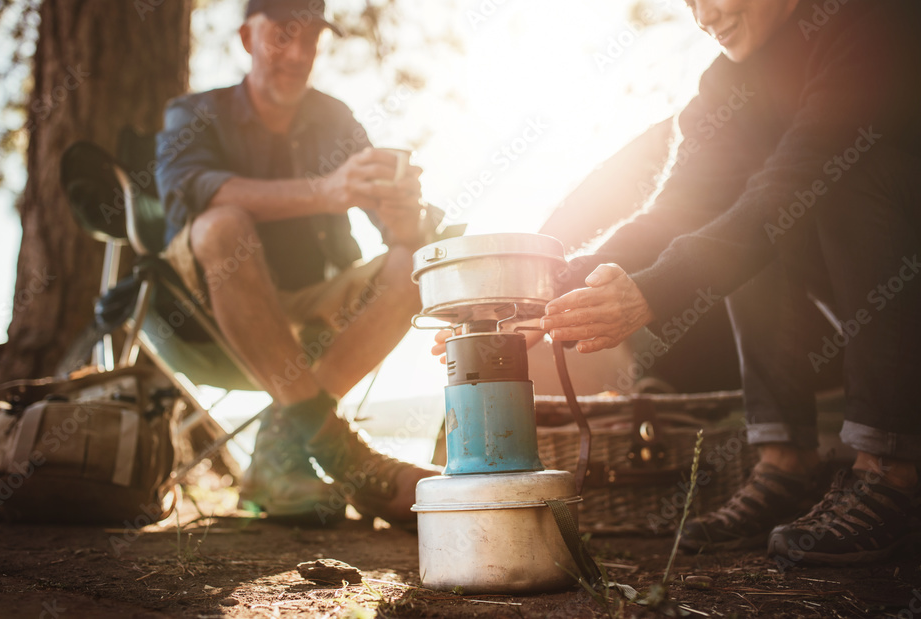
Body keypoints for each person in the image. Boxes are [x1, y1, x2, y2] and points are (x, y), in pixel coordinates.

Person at [440, 0, 921, 564]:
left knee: (826, 181)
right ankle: (785, 463)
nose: (702, 15)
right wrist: (545, 295)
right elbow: (679, 211)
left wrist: (653, 291)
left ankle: (891, 468)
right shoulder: (727, 84)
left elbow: (795, 181)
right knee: (742, 219)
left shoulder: (877, 22)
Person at [156, 0, 439, 526]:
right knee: (223, 223)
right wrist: (326, 191)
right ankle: (342, 451)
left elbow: (399, 236)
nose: (297, 53)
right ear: (246, 37)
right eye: (281, 36)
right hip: (205, 310)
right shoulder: (193, 114)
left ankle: (284, 443)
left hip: (315, 301)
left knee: (414, 264)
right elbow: (193, 190)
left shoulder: (336, 118)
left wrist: (404, 212)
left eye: (310, 39)